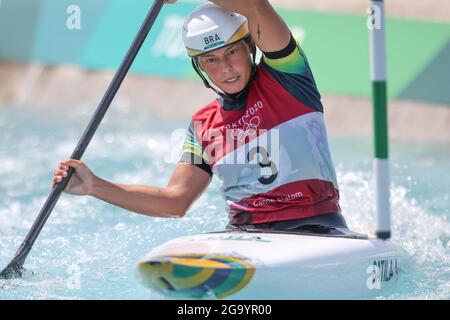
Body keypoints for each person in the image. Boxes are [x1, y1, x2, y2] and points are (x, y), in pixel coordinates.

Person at [52, 0, 349, 233]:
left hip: (317, 227)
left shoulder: (288, 77)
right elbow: (175, 201)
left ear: (250, 47)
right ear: (200, 68)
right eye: (211, 60)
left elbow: (256, 5)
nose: (226, 68)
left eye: (232, 52)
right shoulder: (202, 126)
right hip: (245, 238)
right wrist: (94, 186)